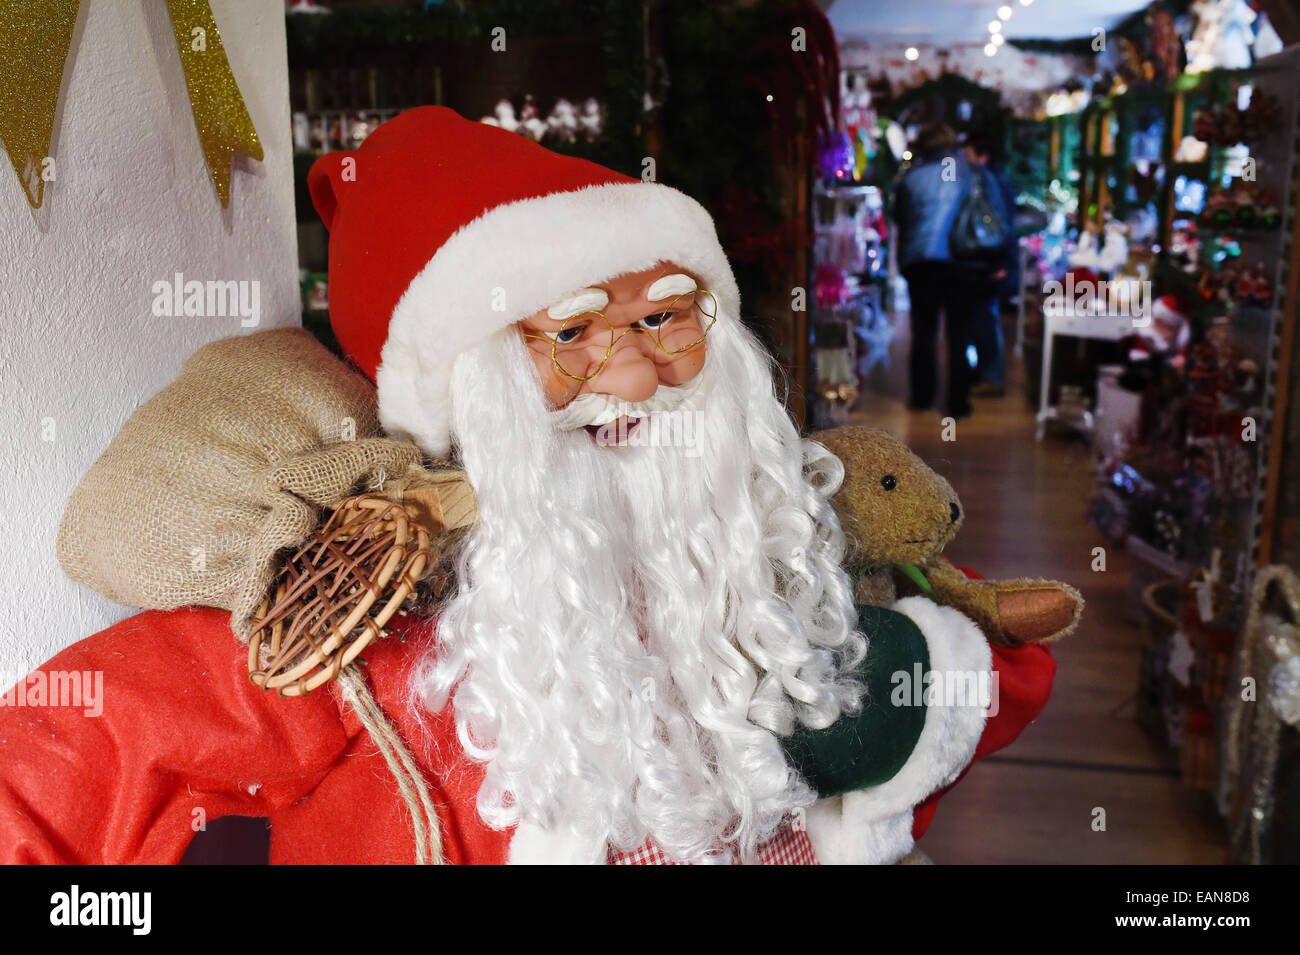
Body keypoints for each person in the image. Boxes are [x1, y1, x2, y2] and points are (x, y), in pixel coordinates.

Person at [0, 107, 1054, 865]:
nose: (637, 373)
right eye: (570, 335)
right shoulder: (372, 625)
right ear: (478, 390)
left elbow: (999, 671)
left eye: (662, 317)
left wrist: (916, 684)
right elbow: (72, 755)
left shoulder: (770, 531)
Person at [893, 123, 1001, 418]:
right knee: (960, 334)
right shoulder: (971, 172)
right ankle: (957, 403)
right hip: (962, 261)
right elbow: (994, 214)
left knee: (924, 332)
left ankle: (922, 397)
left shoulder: (911, 177)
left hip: (920, 262)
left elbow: (900, 218)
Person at [963, 130, 1019, 398]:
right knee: (981, 316)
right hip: (995, 257)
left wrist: (1000, 260)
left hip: (992, 259)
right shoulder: (997, 180)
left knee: (984, 316)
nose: (964, 159)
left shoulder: (987, 181)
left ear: (981, 156)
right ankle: (986, 372)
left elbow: (999, 226)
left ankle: (992, 376)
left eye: (968, 154)